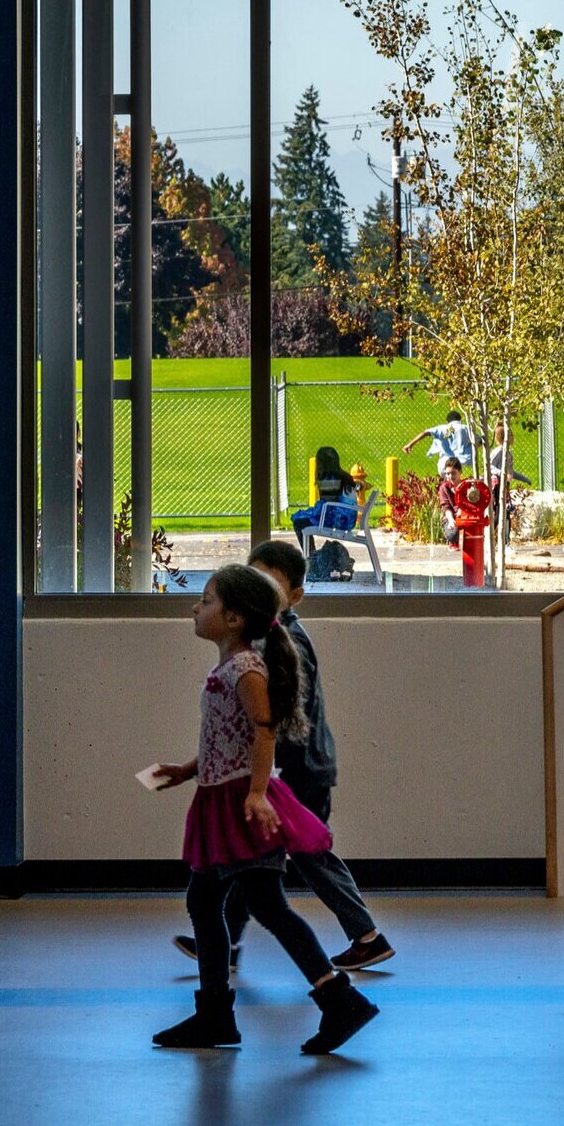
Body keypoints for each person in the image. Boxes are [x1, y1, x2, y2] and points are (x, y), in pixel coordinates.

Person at [143, 565, 380, 1054]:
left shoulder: (247, 669)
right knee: (208, 902)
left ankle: (335, 1000)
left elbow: (263, 731)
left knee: (261, 904)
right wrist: (189, 769)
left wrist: (254, 794)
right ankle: (217, 1014)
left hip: (241, 804)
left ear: (232, 618)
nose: (195, 606)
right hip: (220, 797)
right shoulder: (228, 668)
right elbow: (224, 738)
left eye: (206, 600)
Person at [174, 542, 394, 978]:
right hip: (274, 773)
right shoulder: (253, 647)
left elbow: (276, 720)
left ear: (294, 595)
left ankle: (367, 937)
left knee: (309, 857)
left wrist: (261, 784)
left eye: (268, 581)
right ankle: (227, 943)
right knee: (252, 865)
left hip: (299, 771)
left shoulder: (278, 644)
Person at [289, 446, 358, 534]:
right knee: (302, 518)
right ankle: (311, 548)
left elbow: (328, 503)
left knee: (299, 522)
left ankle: (310, 548)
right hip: (348, 519)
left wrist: (311, 513)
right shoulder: (344, 476)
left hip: (338, 520)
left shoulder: (331, 479)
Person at [402, 408, 474, 473]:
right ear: (460, 420)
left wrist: (410, 444)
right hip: (464, 463)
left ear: (447, 421)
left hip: (445, 465)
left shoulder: (441, 428)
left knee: (446, 484)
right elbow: (479, 441)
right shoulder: (466, 428)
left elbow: (425, 433)